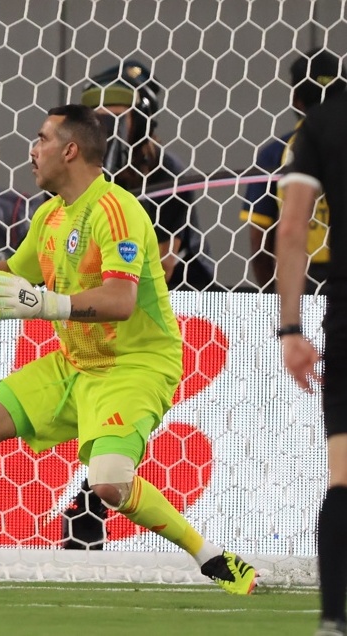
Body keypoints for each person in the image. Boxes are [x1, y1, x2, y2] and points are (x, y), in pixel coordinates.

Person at [0, 104, 257, 594]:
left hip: (133, 365)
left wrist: (46, 304)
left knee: (110, 484)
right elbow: (11, 272)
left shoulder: (117, 210)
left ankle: (215, 559)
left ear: (70, 150)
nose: (32, 152)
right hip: (75, 361)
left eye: (41, 139)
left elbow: (120, 300)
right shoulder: (51, 215)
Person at [276, 75, 347, 636]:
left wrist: (291, 328)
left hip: (346, 318)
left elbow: (293, 228)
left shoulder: (322, 122)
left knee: (343, 477)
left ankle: (332, 620)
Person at [80, 60, 217, 292]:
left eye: (117, 119)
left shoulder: (167, 172)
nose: (108, 130)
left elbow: (162, 270)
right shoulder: (74, 170)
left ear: (141, 123)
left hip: (178, 296)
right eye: (99, 119)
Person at [242, 48, 344, 294]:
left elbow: (260, 241)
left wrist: (274, 298)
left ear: (296, 98)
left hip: (299, 278)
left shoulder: (275, 154)